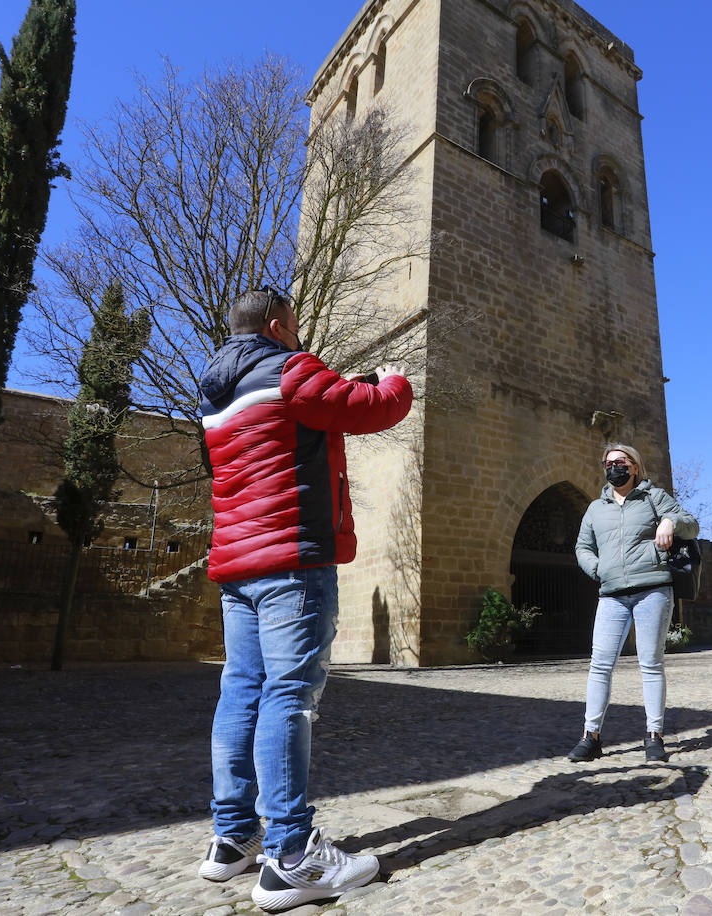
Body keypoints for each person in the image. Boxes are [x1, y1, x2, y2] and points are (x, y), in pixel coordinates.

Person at [196, 286, 413, 911]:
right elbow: (373, 407)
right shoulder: (291, 366)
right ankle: (291, 856)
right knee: (289, 696)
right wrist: (394, 377)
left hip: (236, 565)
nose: (300, 333)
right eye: (294, 324)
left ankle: (232, 838)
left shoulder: (213, 392)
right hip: (293, 559)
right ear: (275, 324)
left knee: (240, 692)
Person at [569, 444, 698, 764]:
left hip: (652, 590)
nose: (614, 467)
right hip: (612, 595)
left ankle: (654, 736)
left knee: (650, 664)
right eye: (608, 463)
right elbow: (582, 546)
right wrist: (596, 568)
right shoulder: (596, 509)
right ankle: (591, 736)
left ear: (635, 467)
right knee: (599, 664)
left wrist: (670, 522)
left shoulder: (654, 497)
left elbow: (691, 524)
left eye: (621, 462)